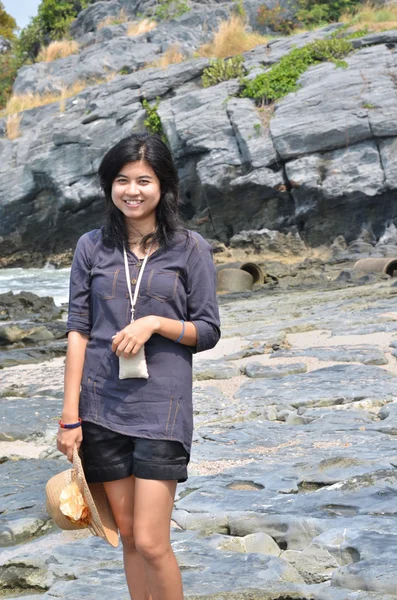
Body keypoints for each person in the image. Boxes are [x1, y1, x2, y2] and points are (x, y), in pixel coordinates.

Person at [57, 133, 221, 600]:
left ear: (163, 186)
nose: (133, 190)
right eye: (122, 180)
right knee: (126, 535)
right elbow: (78, 331)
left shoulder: (190, 248)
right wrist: (70, 416)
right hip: (99, 406)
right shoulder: (91, 247)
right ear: (110, 186)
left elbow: (207, 330)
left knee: (151, 541)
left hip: (161, 409)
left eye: (144, 180)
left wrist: (155, 323)